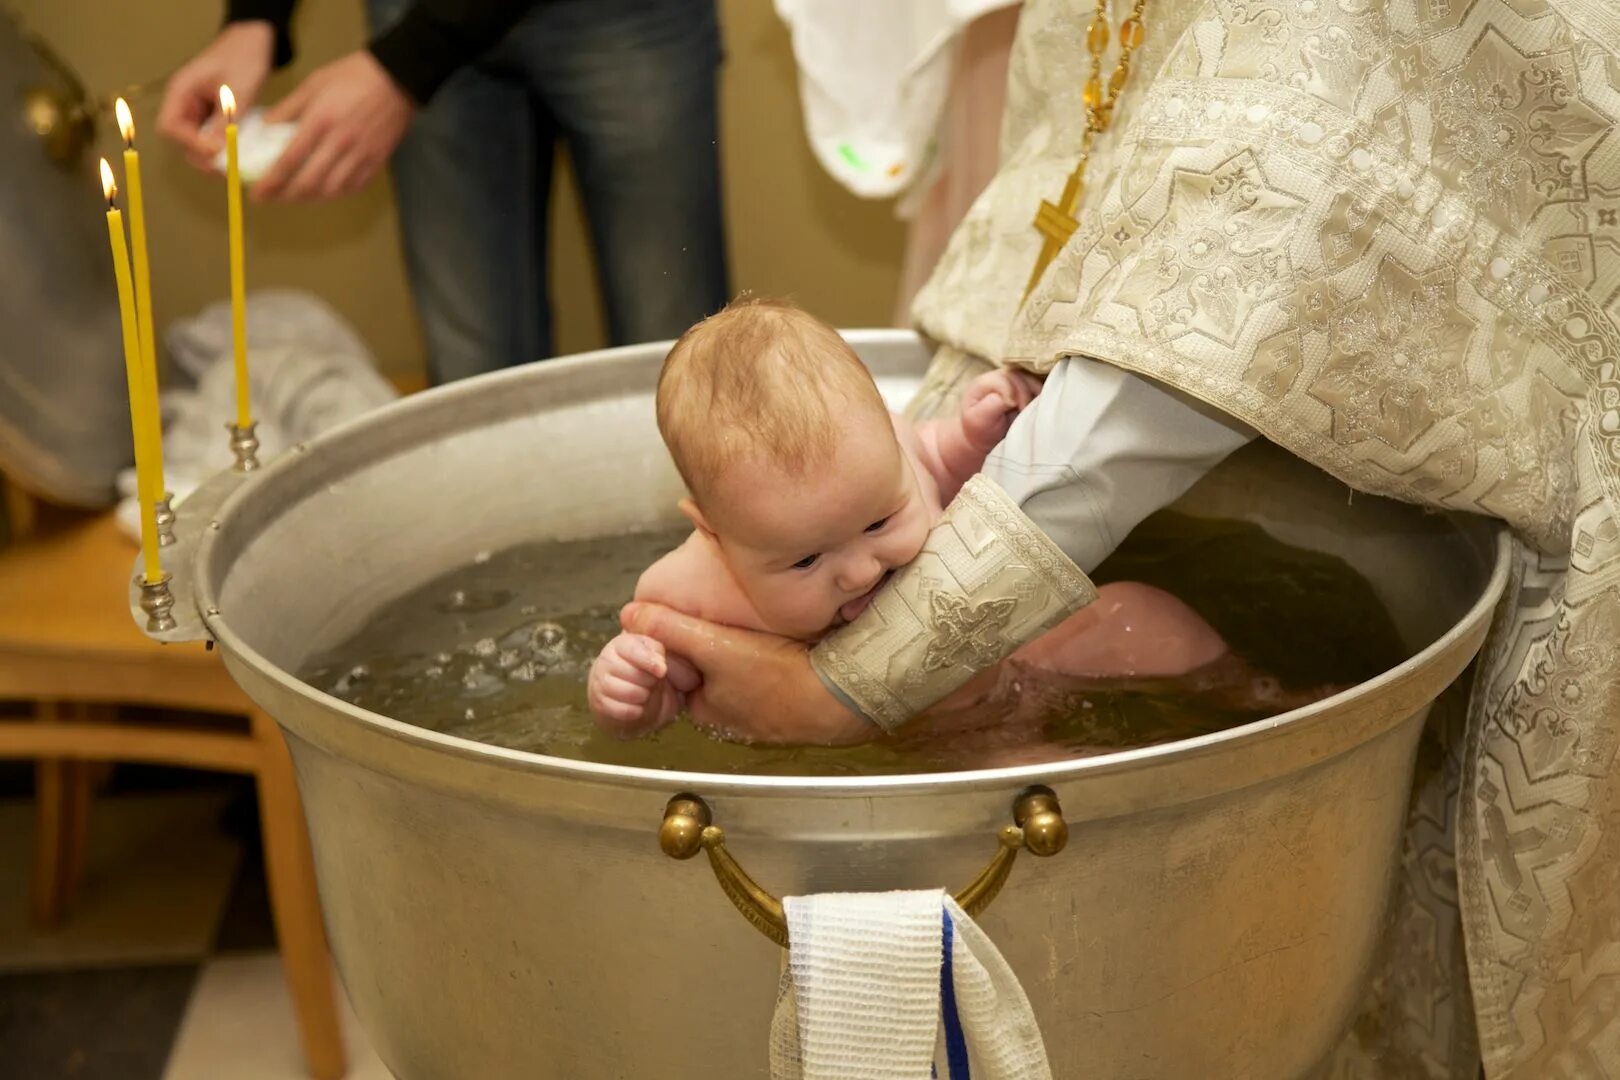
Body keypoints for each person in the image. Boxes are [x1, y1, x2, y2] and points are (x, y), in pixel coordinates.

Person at [587, 299, 1236, 737]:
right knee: (1035, 778)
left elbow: (940, 461)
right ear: (713, 532)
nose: (861, 570)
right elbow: (670, 695)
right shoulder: (687, 597)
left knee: (1143, 617)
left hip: (1006, 663)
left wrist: (973, 435)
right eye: (808, 560)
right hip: (919, 746)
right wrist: (630, 690)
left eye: (879, 523)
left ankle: (1251, 697)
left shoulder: (889, 452)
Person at [157, 0, 729, 384]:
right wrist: (255, 17)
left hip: (627, 16)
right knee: (474, 371)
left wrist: (408, 63)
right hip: (419, 18)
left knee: (677, 358)